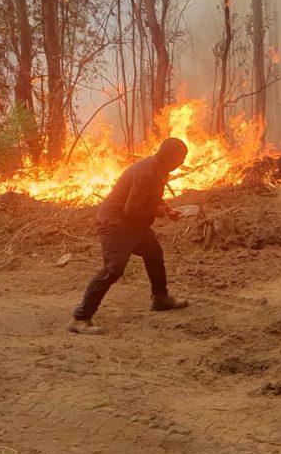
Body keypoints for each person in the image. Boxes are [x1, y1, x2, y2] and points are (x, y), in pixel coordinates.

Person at [68, 138, 190, 335]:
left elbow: (149, 198)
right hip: (115, 225)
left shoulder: (158, 169)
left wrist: (167, 209)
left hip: (134, 225)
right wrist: (158, 212)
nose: (182, 163)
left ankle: (160, 299)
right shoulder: (146, 173)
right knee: (114, 269)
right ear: (169, 156)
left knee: (154, 254)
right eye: (181, 158)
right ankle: (80, 318)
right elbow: (131, 209)